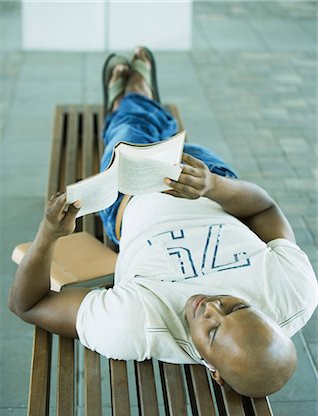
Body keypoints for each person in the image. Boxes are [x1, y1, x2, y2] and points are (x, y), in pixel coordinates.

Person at [8, 47, 317, 398]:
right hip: (207, 177)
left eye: (212, 330)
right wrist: (214, 186)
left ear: (213, 370)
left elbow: (27, 305)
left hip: (129, 191)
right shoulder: (295, 292)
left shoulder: (137, 325)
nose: (211, 305)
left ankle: (134, 93)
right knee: (159, 133)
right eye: (237, 306)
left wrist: (48, 235)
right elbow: (264, 209)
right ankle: (135, 94)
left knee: (129, 130)